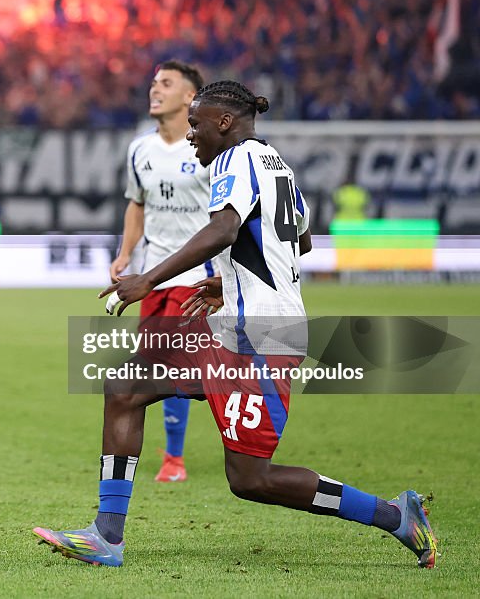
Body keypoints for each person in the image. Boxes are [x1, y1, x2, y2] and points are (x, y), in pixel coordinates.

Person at [34, 81, 436, 569]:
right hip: (236, 326)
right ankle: (106, 535)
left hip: (261, 339)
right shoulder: (276, 164)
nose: (191, 135)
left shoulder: (235, 159)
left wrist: (149, 279)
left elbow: (224, 229)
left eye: (196, 124)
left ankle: (395, 516)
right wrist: (231, 282)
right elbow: (300, 241)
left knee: (251, 479)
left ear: (224, 122)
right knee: (125, 385)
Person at [110, 59, 209, 483]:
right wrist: (125, 254)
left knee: (173, 363)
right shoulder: (140, 150)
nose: (155, 89)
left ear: (189, 96)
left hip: (196, 275)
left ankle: (174, 458)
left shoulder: (207, 150)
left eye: (166, 83)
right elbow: (137, 204)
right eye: (154, 82)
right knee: (154, 364)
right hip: (152, 276)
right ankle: (169, 453)